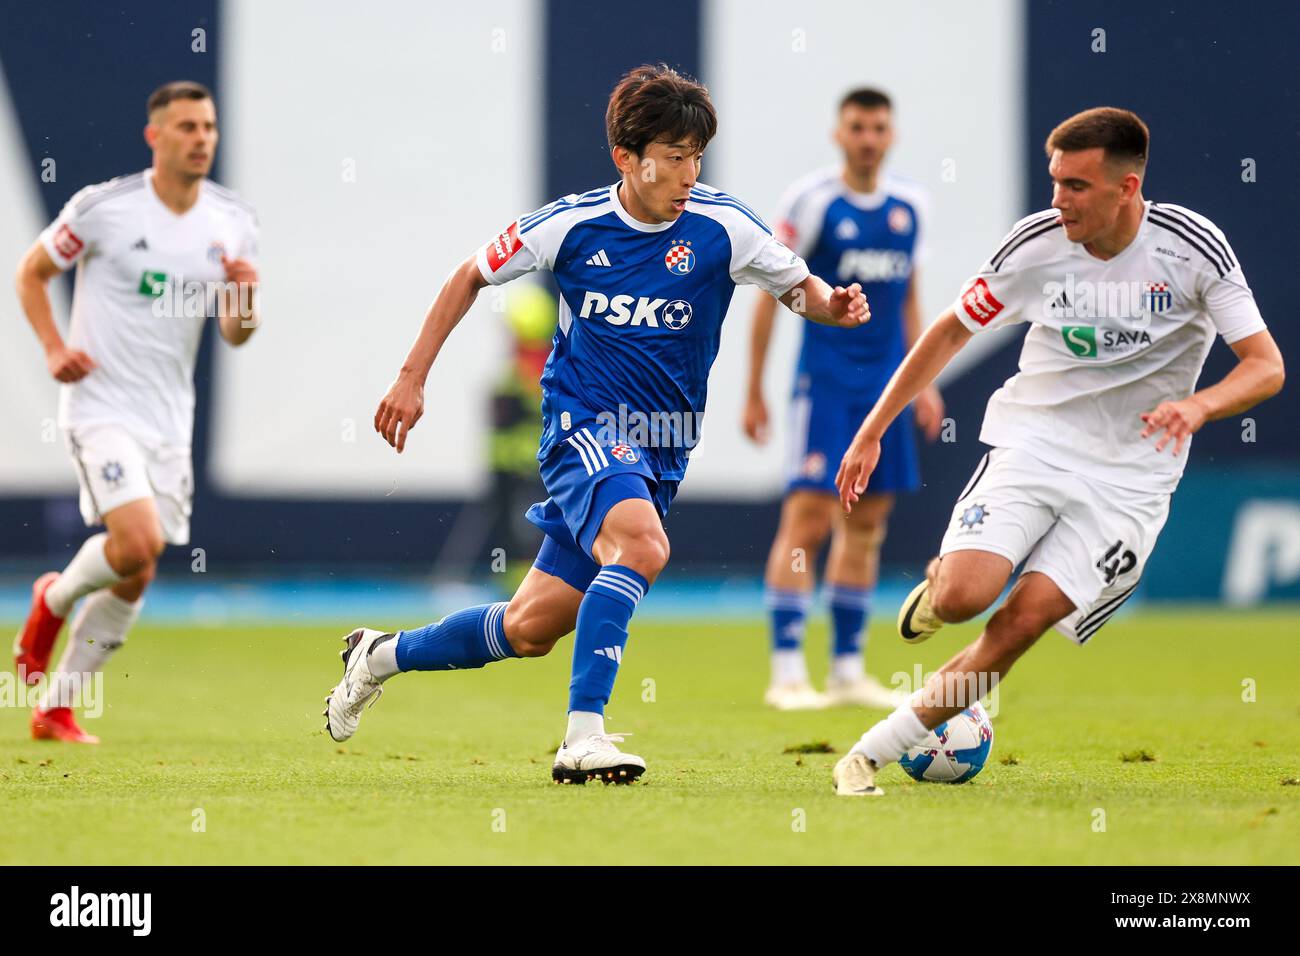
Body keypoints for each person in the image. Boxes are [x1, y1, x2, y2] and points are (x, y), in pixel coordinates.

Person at [323, 64, 870, 785]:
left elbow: (799, 287)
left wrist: (835, 304)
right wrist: (410, 377)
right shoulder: (571, 226)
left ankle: (380, 655)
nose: (688, 172)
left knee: (529, 629)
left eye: (697, 156)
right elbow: (469, 276)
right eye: (674, 157)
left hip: (662, 451)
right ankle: (583, 736)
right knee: (643, 547)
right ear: (627, 156)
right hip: (582, 428)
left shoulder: (724, 226)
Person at [830, 107, 1284, 796]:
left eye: (1076, 186)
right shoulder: (1036, 246)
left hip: (1131, 478)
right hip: (1036, 440)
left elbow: (1265, 365)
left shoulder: (1193, 247)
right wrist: (872, 430)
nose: (1058, 201)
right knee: (964, 599)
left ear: (1127, 187)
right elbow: (950, 332)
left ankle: (866, 755)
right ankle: (943, 582)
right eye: (1054, 182)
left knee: (1021, 623)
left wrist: (1199, 405)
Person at [12, 81, 259, 743]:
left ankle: (56, 705)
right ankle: (52, 603)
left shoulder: (232, 221)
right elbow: (32, 272)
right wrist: (54, 346)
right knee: (139, 541)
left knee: (137, 565)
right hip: (101, 406)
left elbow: (235, 335)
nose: (201, 138)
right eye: (186, 127)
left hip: (169, 419)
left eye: (208, 126)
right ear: (155, 136)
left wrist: (245, 302)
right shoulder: (105, 208)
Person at [742, 88, 941, 710]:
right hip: (823, 384)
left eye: (879, 127)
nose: (868, 138)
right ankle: (786, 671)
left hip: (885, 387)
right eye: (857, 127)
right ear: (839, 134)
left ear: (892, 135)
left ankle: (848, 668)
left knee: (868, 524)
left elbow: (909, 298)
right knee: (807, 521)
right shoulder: (813, 201)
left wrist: (925, 379)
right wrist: (754, 388)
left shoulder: (911, 205)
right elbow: (774, 290)